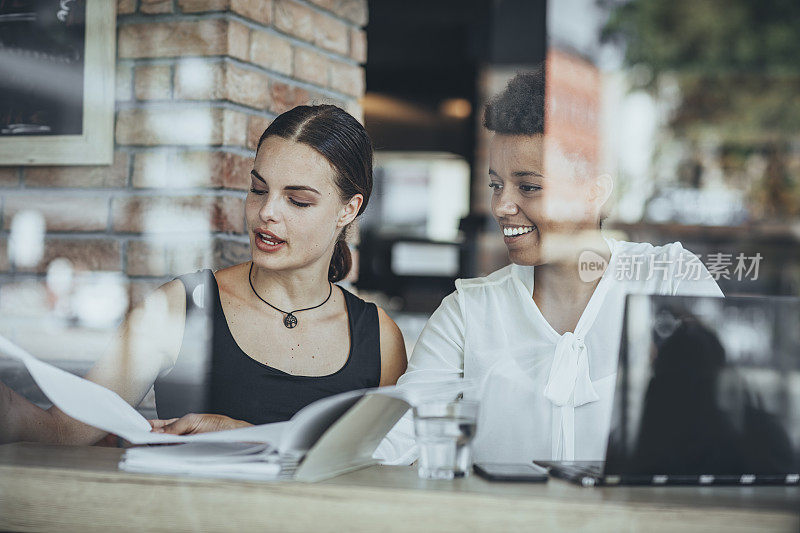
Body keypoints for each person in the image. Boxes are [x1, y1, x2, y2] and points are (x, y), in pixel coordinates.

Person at [0, 104, 407, 445]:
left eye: (297, 201)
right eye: (258, 189)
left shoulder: (379, 338)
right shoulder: (179, 306)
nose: (267, 212)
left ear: (348, 209)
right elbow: (62, 430)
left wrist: (244, 436)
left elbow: (389, 468)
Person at [374, 70, 722, 465]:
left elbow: (721, 432)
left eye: (529, 186)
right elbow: (399, 435)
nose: (502, 206)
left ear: (594, 192)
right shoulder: (468, 312)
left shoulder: (669, 278)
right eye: (495, 185)